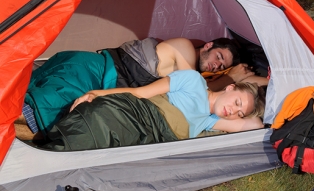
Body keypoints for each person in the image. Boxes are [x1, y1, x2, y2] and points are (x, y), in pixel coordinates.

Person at [16, 37, 267, 140]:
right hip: (95, 70)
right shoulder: (186, 49)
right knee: (45, 106)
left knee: (48, 110)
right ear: (209, 44)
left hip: (104, 81)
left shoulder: (202, 83)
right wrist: (231, 77)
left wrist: (266, 81)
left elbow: (217, 96)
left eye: (221, 65)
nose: (215, 64)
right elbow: (204, 89)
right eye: (218, 56)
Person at [25, 70, 266, 150]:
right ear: (230, 88)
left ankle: (48, 152)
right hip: (138, 111)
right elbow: (140, 93)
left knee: (106, 141)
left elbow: (255, 125)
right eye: (237, 102)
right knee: (98, 117)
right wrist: (97, 93)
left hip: (152, 134)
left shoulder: (210, 121)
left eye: (239, 112)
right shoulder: (192, 80)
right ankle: (47, 146)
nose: (233, 112)